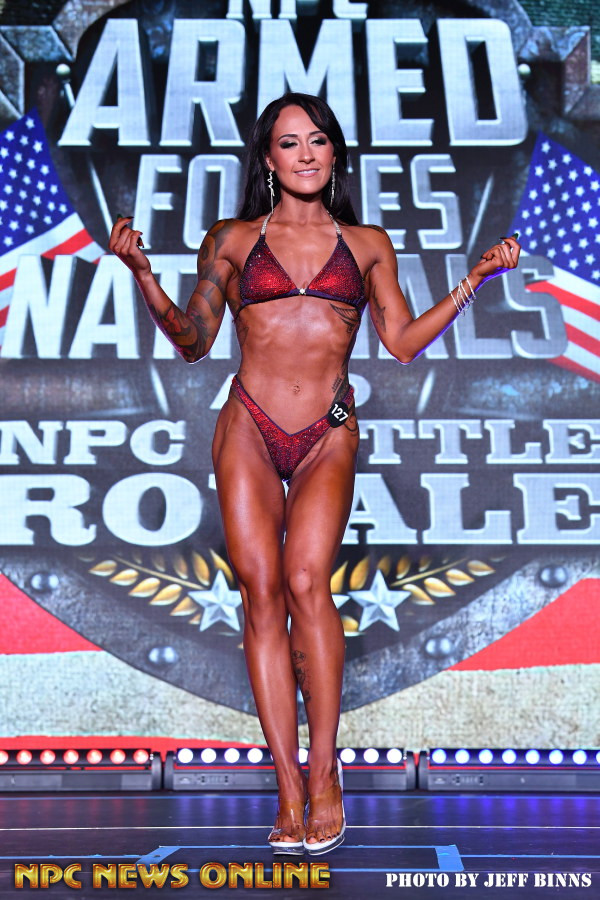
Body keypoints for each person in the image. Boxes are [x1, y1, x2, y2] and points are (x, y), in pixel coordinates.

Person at [109, 92, 520, 855]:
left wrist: (476, 279)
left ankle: (325, 769)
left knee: (306, 582)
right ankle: (288, 786)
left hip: (326, 433)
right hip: (249, 428)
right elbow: (193, 340)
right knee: (261, 595)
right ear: (267, 159)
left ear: (334, 153)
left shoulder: (366, 244)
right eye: (289, 142)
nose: (305, 154)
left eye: (318, 140)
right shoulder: (233, 239)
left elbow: (401, 343)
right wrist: (142, 273)